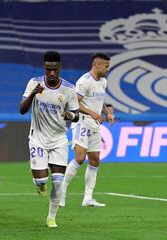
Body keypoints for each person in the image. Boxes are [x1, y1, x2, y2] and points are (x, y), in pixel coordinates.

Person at [19, 51, 79, 228]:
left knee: (58, 183)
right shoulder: (34, 83)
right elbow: (22, 110)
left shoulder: (69, 89)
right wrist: (33, 94)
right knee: (41, 181)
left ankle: (51, 217)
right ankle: (39, 184)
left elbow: (76, 114)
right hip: (37, 138)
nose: (52, 73)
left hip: (59, 140)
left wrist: (70, 115)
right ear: (44, 68)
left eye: (55, 69)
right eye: (48, 70)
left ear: (60, 68)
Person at [60, 52, 115, 208]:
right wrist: (92, 113)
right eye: (106, 66)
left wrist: (107, 113)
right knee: (79, 157)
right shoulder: (84, 81)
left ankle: (88, 198)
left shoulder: (103, 82)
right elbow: (75, 104)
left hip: (95, 125)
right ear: (97, 65)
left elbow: (99, 100)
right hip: (82, 123)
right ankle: (61, 193)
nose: (107, 69)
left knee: (95, 159)